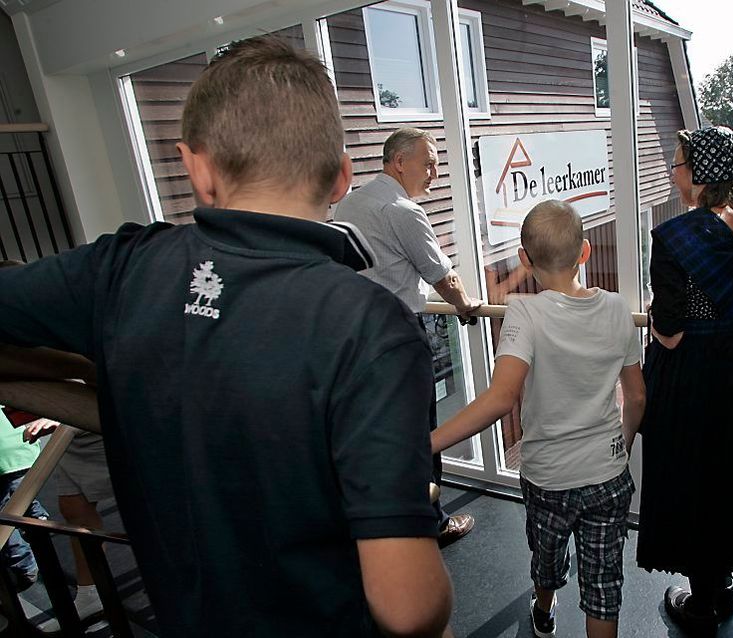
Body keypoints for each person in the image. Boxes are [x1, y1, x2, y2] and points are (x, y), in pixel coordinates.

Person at [0, 37, 451, 637]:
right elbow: (408, 607)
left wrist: (93, 379)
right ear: (342, 178)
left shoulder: (120, 270)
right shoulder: (370, 324)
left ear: (197, 168)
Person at [431, 200, 645, 638]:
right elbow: (637, 396)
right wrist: (620, 447)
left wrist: (427, 442)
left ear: (524, 260)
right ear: (585, 252)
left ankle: (544, 613)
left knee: (546, 559)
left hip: (549, 478)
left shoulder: (524, 313)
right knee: (604, 585)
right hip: (607, 475)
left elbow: (501, 397)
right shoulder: (618, 310)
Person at [636, 126, 733, 635]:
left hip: (692, 369)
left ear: (697, 174)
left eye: (677, 165)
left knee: (691, 473)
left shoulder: (675, 237)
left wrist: (659, 319)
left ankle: (701, 604)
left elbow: (669, 331)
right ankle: (721, 579)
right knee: (730, 470)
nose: (674, 174)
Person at [333, 127, 482, 546]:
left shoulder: (350, 203)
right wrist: (465, 304)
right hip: (399, 335)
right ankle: (429, 522)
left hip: (359, 335)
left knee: (383, 430)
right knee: (420, 431)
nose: (434, 172)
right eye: (429, 162)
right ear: (399, 162)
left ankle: (388, 515)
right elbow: (442, 276)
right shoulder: (402, 209)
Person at [19, 418, 113, 629]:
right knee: (73, 505)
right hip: (69, 426)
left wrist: (66, 408)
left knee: (143, 499)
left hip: (96, 414)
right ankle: (90, 593)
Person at [0, 409, 49, 592]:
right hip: (19, 447)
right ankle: (37, 519)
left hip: (5, 455)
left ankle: (24, 565)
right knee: (23, 496)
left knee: (4, 514)